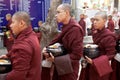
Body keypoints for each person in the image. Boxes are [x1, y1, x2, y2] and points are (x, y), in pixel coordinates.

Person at [41, 3, 84, 80]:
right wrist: (47, 49)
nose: (56, 15)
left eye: (58, 12)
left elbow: (77, 55)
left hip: (69, 69)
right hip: (61, 66)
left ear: (67, 13)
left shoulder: (75, 29)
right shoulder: (66, 27)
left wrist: (56, 60)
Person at [0, 11, 41, 80]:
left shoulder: (23, 44)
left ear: (22, 23)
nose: (11, 25)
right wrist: (8, 55)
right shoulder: (31, 34)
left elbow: (18, 74)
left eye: (13, 22)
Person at [79, 11, 116, 80]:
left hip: (100, 67)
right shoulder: (96, 33)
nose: (94, 22)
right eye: (94, 20)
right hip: (91, 64)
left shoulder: (109, 36)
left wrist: (94, 62)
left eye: (97, 20)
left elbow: (111, 54)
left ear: (104, 21)